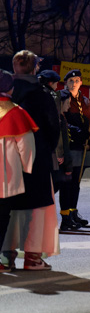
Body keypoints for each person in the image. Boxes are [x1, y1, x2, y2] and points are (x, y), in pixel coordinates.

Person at [4, 51, 62, 270]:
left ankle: (5, 256)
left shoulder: (7, 93)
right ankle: (33, 257)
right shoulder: (42, 94)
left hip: (7, 161)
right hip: (36, 158)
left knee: (7, 209)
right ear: (35, 67)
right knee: (37, 210)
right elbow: (52, 127)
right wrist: (48, 150)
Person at [0, 71, 38, 273]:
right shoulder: (16, 112)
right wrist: (27, 168)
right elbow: (26, 146)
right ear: (11, 89)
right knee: (2, 216)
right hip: (5, 175)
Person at [58, 69, 90, 230]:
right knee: (68, 182)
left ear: (81, 82)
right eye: (70, 81)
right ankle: (66, 216)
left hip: (83, 146)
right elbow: (63, 121)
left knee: (76, 182)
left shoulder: (85, 101)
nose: (74, 83)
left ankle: (73, 212)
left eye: (77, 80)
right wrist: (77, 133)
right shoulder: (62, 97)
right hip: (71, 146)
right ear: (66, 83)